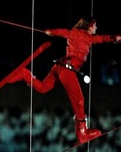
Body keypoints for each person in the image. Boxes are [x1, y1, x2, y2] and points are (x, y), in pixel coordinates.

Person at [8, 16, 121, 144]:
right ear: (89, 26)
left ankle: (25, 74)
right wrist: (53, 31)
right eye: (95, 25)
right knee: (79, 99)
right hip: (67, 69)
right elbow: (69, 33)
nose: (96, 27)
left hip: (60, 66)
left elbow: (99, 38)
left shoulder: (85, 37)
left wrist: (114, 38)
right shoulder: (81, 35)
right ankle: (82, 133)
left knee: (43, 88)